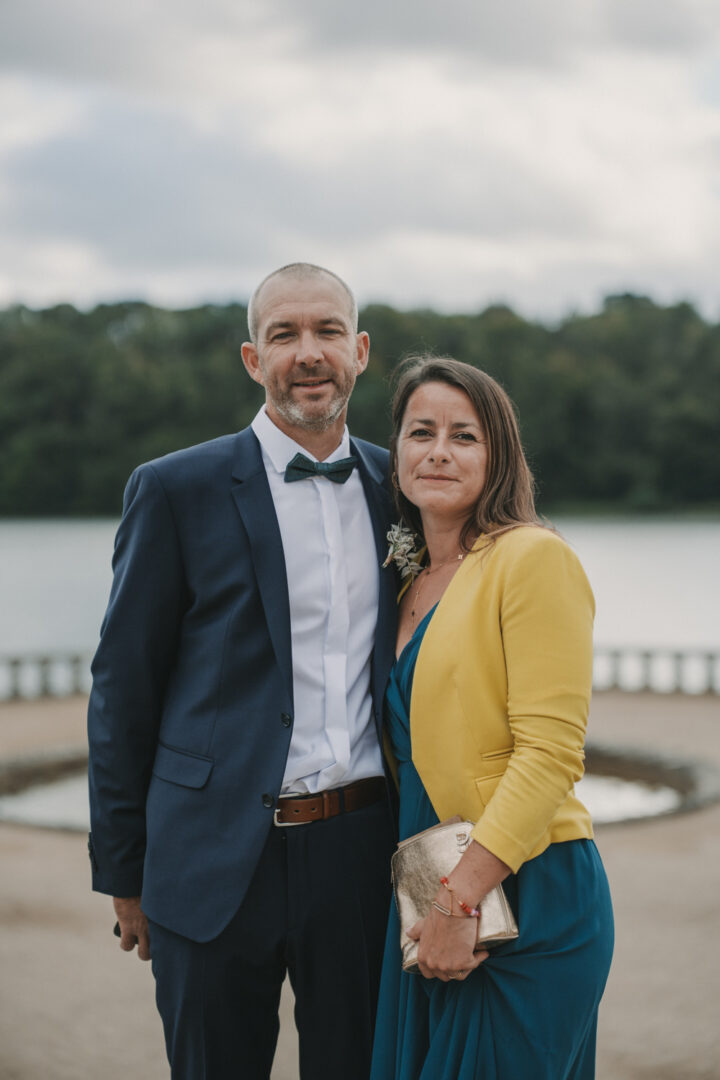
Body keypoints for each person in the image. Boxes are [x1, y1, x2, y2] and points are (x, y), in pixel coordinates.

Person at [87, 263, 399, 1080]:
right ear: (251, 358)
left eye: (327, 331)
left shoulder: (400, 488)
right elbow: (123, 690)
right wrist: (125, 873)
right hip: (211, 854)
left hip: (363, 852)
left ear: (360, 351)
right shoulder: (172, 489)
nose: (308, 352)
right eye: (283, 334)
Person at [370, 356, 614, 1080]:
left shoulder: (531, 558)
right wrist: (431, 907)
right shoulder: (408, 583)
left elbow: (550, 755)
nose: (438, 451)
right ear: (398, 452)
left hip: (522, 896)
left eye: (463, 436)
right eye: (420, 432)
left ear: (498, 455)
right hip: (429, 894)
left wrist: (457, 901)